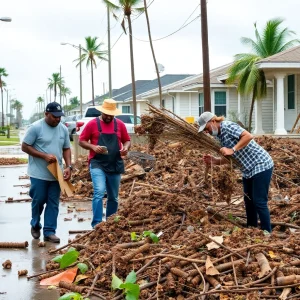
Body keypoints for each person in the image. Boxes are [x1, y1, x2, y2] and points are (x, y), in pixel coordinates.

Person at [198, 112, 274, 232]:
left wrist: (233, 149)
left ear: (213, 121)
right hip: (247, 169)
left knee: (259, 201)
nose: (206, 132)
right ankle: (251, 229)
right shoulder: (219, 137)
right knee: (248, 201)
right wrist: (216, 161)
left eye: (206, 128)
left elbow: (248, 136)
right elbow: (231, 157)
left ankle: (267, 233)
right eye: (204, 131)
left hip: (261, 164)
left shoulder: (227, 126)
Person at [22, 102, 72, 243]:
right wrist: (43, 156)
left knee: (53, 202)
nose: (58, 119)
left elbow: (66, 148)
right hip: (38, 173)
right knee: (39, 200)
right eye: (55, 116)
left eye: (59, 116)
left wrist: (69, 166)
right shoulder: (36, 128)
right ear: (46, 114)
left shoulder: (63, 129)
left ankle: (50, 231)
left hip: (56, 174)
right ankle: (35, 224)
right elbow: (25, 146)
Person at [79, 99, 131, 228]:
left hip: (115, 163)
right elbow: (81, 141)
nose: (108, 117)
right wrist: (92, 147)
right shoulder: (92, 124)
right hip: (97, 163)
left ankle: (110, 223)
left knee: (113, 196)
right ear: (102, 112)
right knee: (99, 191)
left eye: (111, 115)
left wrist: (125, 148)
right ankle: (97, 223)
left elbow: (127, 140)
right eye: (106, 114)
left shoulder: (119, 124)